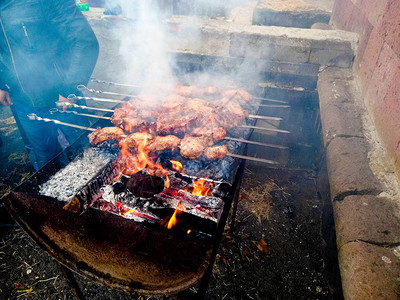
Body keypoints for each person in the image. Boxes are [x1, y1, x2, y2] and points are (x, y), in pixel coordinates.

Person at [0, 0, 99, 170]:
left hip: (63, 97)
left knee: (86, 153)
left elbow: (84, 41)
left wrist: (69, 90)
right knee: (46, 160)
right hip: (23, 103)